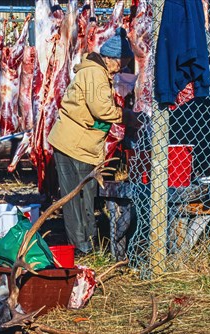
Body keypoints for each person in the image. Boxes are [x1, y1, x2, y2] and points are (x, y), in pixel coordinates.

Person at [48, 27, 140, 256]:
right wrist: (127, 116)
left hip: (79, 144)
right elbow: (101, 109)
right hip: (74, 145)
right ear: (111, 59)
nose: (123, 66)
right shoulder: (96, 74)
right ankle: (81, 247)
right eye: (122, 61)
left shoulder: (97, 72)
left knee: (85, 195)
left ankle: (87, 242)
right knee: (76, 197)